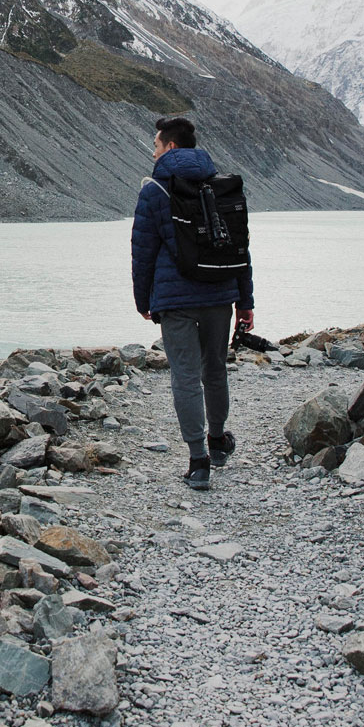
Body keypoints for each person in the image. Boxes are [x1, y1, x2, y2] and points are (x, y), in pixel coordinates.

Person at [130, 115, 255, 490]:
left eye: (155, 144)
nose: (152, 151)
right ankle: (218, 439)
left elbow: (143, 251)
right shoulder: (221, 184)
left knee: (185, 377)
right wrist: (245, 301)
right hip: (220, 292)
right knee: (214, 370)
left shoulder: (154, 189)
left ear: (169, 146)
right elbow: (241, 246)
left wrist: (143, 300)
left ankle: (198, 462)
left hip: (174, 298)